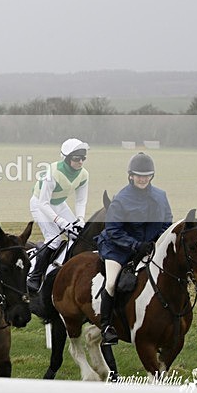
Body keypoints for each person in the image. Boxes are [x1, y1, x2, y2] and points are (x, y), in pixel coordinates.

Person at [95, 152, 172, 345]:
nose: (142, 179)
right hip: (117, 248)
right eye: (138, 175)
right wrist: (135, 245)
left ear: (152, 176)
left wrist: (155, 242)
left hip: (147, 247)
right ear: (131, 175)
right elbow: (113, 230)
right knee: (112, 283)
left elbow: (167, 221)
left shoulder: (161, 196)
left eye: (146, 175)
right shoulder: (121, 199)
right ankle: (106, 327)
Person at [26, 138, 90, 292]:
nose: (80, 162)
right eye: (76, 158)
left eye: (83, 158)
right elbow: (43, 203)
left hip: (58, 204)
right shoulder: (52, 172)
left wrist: (80, 219)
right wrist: (60, 221)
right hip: (40, 204)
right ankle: (35, 277)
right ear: (67, 159)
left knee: (78, 235)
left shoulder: (84, 174)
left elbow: (81, 201)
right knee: (54, 240)